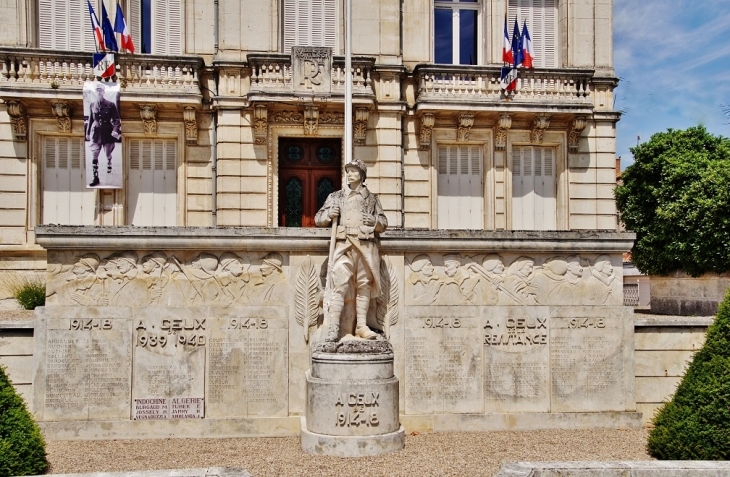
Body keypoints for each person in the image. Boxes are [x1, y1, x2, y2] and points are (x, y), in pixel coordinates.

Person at [315, 159, 387, 341]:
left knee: (364, 285)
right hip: (343, 245)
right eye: (348, 171)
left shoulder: (372, 198)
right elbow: (318, 218)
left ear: (362, 175)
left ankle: (362, 326)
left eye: (354, 171)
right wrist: (328, 215)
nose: (350, 174)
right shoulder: (335, 197)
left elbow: (384, 223)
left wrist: (375, 223)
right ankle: (334, 326)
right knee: (338, 283)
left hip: (365, 247)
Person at [86, 82, 121, 187]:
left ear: (104, 92)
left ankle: (109, 161)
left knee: (107, 154)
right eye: (97, 90)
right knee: (94, 154)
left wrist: (115, 130)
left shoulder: (110, 105)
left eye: (100, 90)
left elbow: (116, 119)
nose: (98, 92)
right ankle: (95, 177)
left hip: (107, 132)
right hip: (96, 133)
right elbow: (90, 119)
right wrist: (87, 133)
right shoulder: (92, 105)